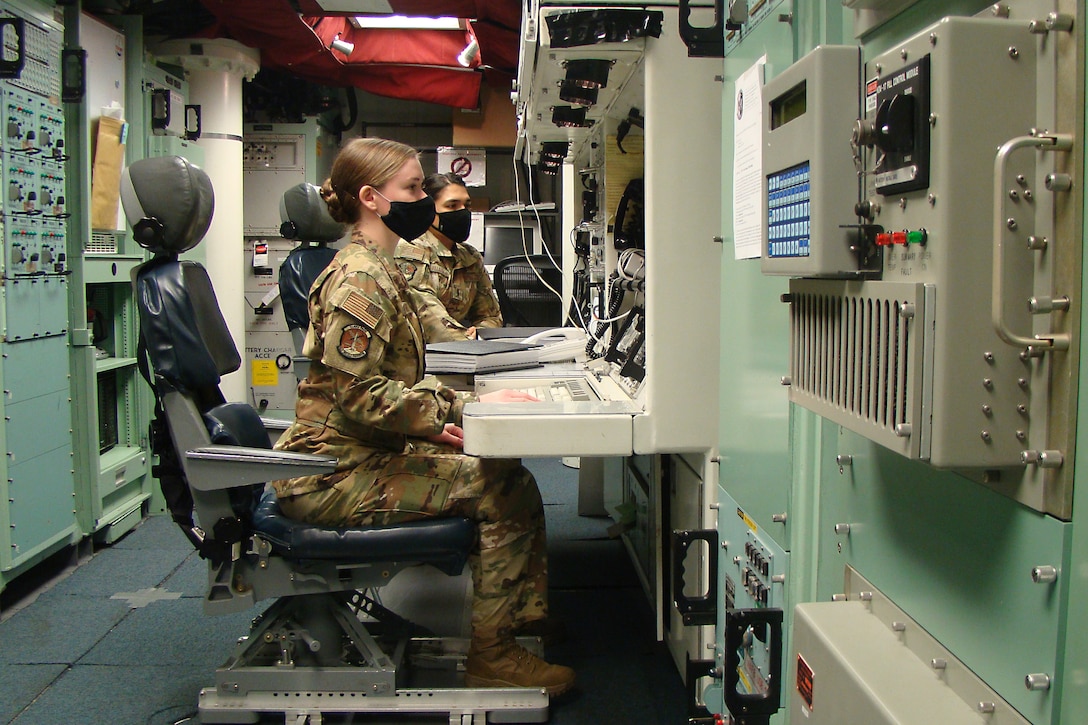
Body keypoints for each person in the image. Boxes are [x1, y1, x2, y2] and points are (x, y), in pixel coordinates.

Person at [270, 138, 573, 696]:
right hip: (333, 471)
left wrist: (449, 415)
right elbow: (361, 396)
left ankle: (511, 622)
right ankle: (494, 654)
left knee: (499, 463)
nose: (424, 203)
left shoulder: (381, 268)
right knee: (501, 487)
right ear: (371, 198)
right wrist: (461, 406)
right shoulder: (359, 279)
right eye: (411, 189)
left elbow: (400, 380)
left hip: (362, 452)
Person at [395, 172, 502, 341]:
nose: (462, 212)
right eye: (452, 206)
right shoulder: (410, 251)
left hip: (464, 351)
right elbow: (428, 317)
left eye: (466, 205)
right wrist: (468, 342)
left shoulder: (470, 256)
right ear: (428, 211)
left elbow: (491, 316)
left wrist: (481, 333)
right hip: (421, 354)